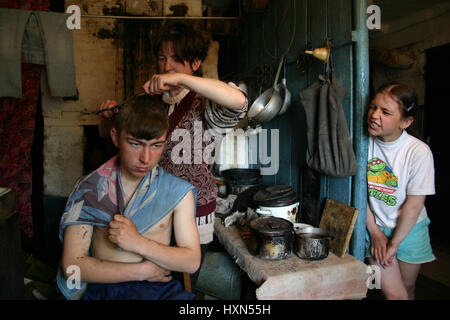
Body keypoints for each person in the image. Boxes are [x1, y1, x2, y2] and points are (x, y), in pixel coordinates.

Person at [97, 22, 248, 286]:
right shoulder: (148, 102)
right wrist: (108, 118)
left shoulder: (206, 104)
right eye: (162, 58)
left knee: (180, 282)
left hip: (193, 213)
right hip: (148, 210)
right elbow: (113, 139)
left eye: (177, 60)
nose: (167, 67)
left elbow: (239, 101)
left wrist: (179, 80)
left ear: (196, 62)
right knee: (145, 278)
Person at [57, 95, 200, 300]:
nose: (145, 158)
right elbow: (72, 267)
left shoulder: (177, 191)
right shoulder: (89, 190)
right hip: (107, 289)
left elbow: (192, 261)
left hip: (160, 292)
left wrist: (137, 242)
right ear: (115, 137)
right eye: (135, 144)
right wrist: (144, 271)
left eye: (156, 145)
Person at [365, 83, 435, 300]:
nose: (375, 115)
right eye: (373, 107)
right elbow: (360, 195)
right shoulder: (362, 144)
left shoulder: (418, 152)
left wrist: (395, 243)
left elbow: (414, 206)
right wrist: (375, 233)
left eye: (385, 112)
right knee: (396, 295)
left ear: (406, 122)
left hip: (410, 231)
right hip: (376, 229)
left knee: (407, 289)